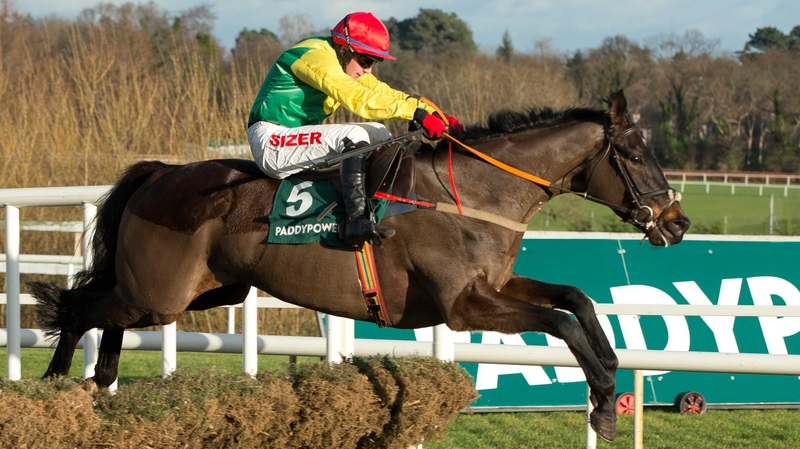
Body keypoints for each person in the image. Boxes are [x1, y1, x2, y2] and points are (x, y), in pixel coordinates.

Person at [246, 11, 461, 246]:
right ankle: (355, 220)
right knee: (355, 134)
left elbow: (383, 92)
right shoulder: (314, 57)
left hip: (293, 139)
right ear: (343, 47)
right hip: (271, 140)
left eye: (373, 63)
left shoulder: (346, 62)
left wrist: (431, 112)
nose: (367, 70)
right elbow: (358, 99)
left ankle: (380, 206)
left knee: (379, 133)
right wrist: (415, 113)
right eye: (366, 61)